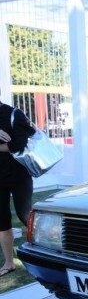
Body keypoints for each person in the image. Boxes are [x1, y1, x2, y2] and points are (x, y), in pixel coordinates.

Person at [0, 98, 35, 277]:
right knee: (1, 220)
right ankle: (9, 263)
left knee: (25, 214)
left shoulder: (13, 113)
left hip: (19, 174)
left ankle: (48, 251)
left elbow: (18, 144)